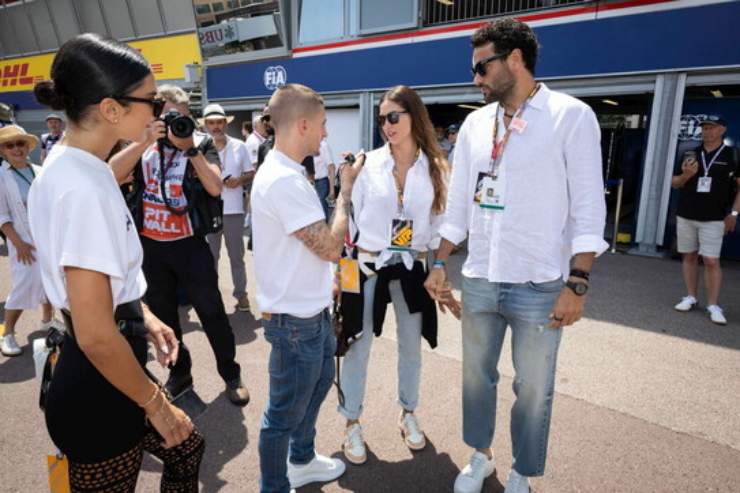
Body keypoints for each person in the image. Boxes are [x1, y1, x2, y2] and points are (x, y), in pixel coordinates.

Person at [424, 19, 608, 493]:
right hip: (481, 277)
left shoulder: (571, 116)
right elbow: (460, 202)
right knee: (475, 379)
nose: (476, 78)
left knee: (532, 389)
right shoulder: (475, 124)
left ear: (514, 59)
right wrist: (440, 261)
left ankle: (522, 469)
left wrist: (578, 282)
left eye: (481, 67)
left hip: (541, 282)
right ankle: (480, 456)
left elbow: (589, 207)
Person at [28, 33, 203, 491]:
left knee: (188, 447)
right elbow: (97, 335)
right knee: (179, 442)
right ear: (111, 109)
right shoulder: (83, 189)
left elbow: (106, 283)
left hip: (99, 366)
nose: (158, 113)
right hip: (97, 383)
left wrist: (142, 314)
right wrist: (157, 403)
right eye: (151, 102)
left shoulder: (70, 165)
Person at [337, 85, 459, 466]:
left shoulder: (437, 168)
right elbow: (346, 225)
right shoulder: (365, 163)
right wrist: (339, 277)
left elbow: (442, 226)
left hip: (410, 266)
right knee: (357, 346)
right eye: (382, 119)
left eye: (394, 117)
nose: (387, 125)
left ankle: (408, 412)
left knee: (411, 347)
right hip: (367, 264)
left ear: (413, 116)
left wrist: (439, 267)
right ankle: (352, 422)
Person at [251, 83, 364, 493]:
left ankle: (300, 459)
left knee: (315, 388)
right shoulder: (283, 179)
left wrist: (327, 283)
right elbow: (332, 247)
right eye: (322, 124)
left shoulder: (290, 173)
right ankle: (275, 486)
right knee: (282, 413)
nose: (326, 134)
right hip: (293, 321)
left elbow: (307, 249)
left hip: (308, 312)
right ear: (302, 125)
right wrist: (346, 190)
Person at [108, 84, 250, 406]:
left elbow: (216, 188)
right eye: (164, 113)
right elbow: (110, 175)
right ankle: (180, 372)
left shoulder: (201, 143)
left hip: (190, 246)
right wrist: (145, 140)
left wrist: (189, 149)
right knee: (165, 318)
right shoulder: (142, 144)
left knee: (212, 313)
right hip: (152, 248)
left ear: (187, 115)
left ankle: (231, 374)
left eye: (177, 115)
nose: (170, 120)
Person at [0, 125, 62, 356]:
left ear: (28, 146)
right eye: (10, 145)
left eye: (20, 143)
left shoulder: (39, 170)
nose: (16, 149)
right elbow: (2, 216)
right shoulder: (1, 177)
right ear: (3, 151)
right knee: (23, 286)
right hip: (23, 243)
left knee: (50, 280)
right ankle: (7, 334)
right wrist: (19, 244)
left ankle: (47, 320)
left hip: (47, 239)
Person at [671, 114, 739, 325]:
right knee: (689, 257)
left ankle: (713, 305)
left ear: (722, 130)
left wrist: (734, 214)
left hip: (715, 217)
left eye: (712, 128)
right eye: (704, 128)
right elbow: (674, 183)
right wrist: (685, 176)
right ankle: (691, 296)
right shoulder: (688, 152)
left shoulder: (732, 155)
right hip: (687, 214)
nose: (707, 131)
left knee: (711, 260)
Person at [200, 103, 255, 313]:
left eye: (219, 122)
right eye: (211, 122)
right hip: (209, 209)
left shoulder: (239, 146)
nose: (215, 126)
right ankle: (212, 297)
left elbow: (251, 173)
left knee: (236, 256)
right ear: (205, 125)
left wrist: (239, 180)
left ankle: (241, 295)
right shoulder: (199, 147)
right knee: (210, 257)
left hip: (233, 210)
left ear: (225, 123)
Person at [312, 137, 336, 219]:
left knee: (321, 215)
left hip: (321, 183)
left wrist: (332, 190)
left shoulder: (323, 146)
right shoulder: (306, 146)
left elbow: (331, 167)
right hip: (309, 183)